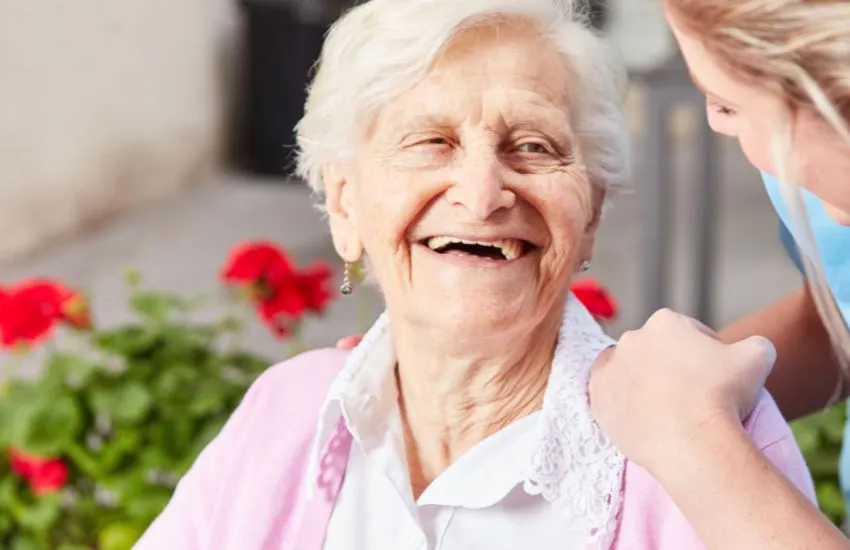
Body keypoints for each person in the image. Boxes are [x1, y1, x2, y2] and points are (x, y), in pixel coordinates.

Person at [133, 1, 815, 549]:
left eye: (533, 147)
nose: (484, 193)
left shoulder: (710, 449)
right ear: (345, 204)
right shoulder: (284, 414)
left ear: (592, 213)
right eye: (431, 142)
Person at [588, 0, 850, 548]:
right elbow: (838, 318)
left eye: (726, 104)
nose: (714, 121)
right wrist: (608, 410)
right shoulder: (816, 186)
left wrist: (696, 442)